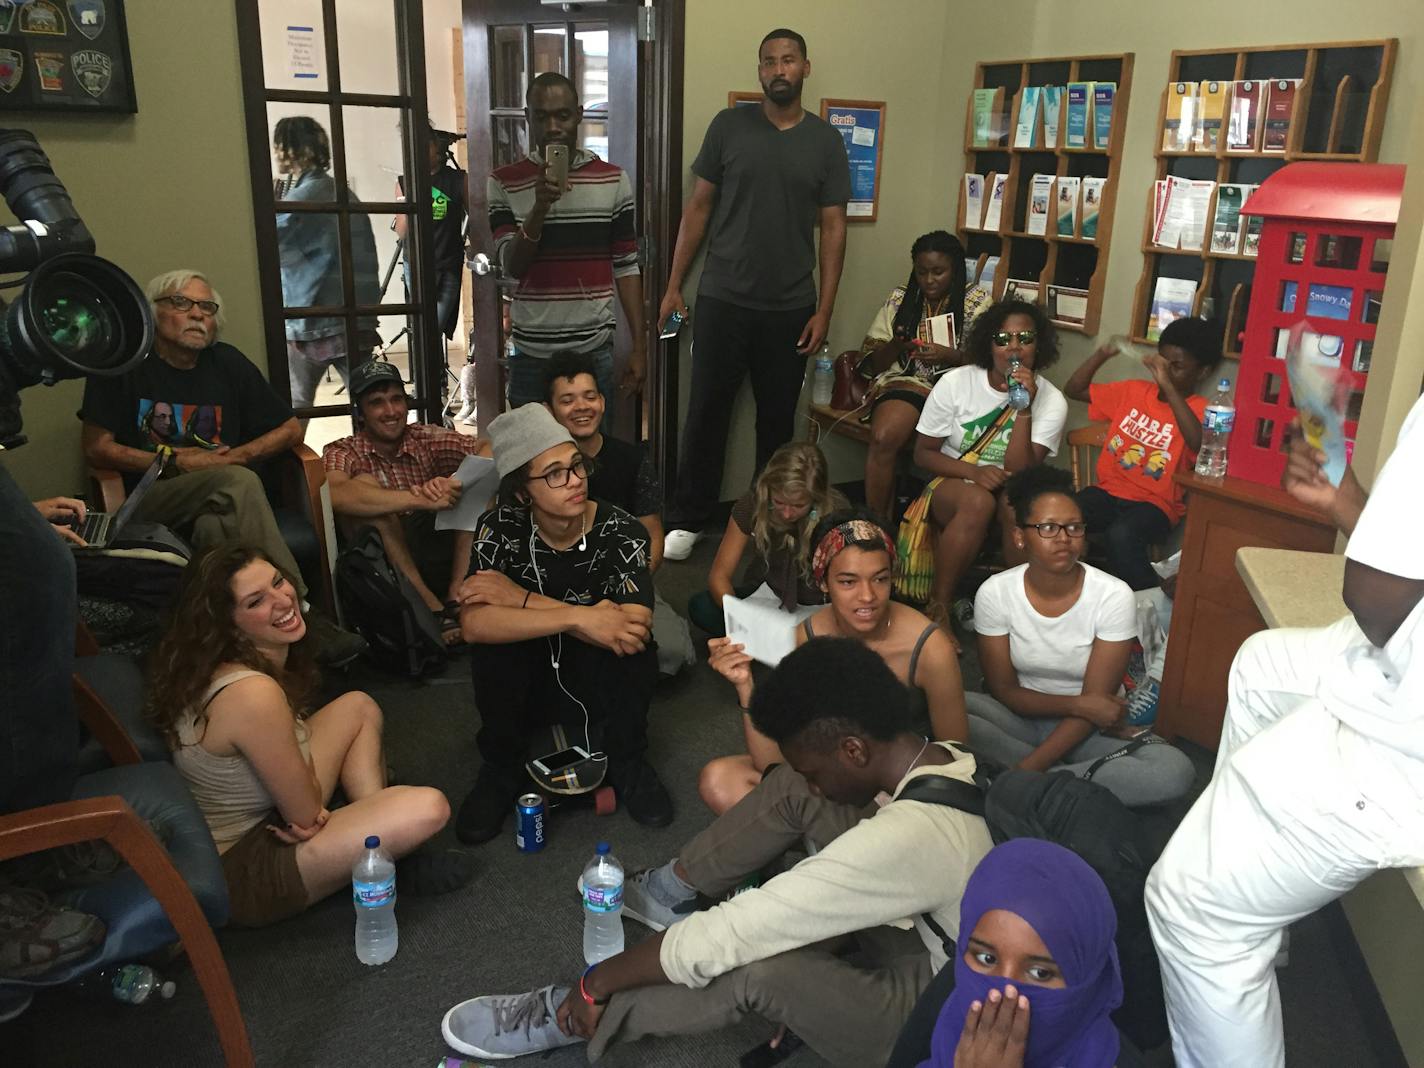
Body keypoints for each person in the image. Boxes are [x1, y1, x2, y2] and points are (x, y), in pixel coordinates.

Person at [439, 638, 994, 1066]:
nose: (817, 784)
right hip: (926, 930)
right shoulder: (941, 756)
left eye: (820, 768)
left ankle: (575, 1013)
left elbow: (735, 931)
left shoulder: (910, 837)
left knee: (758, 966)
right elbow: (831, 812)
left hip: (934, 1009)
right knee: (791, 789)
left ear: (853, 749)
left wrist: (596, 980)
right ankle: (669, 891)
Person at [1145, 398, 1424, 1068]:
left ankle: (1228, 923)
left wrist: (1375, 535)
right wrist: (1352, 508)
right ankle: (1263, 909)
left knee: (1188, 906)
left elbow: (1378, 596)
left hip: (1405, 739)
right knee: (1263, 666)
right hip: (1392, 660)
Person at [145, 545, 473, 928]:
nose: (282, 600)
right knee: (428, 807)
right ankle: (388, 850)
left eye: (278, 582)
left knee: (357, 706)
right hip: (243, 865)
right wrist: (310, 808)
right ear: (228, 625)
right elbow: (303, 815)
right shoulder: (251, 693)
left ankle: (383, 854)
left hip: (262, 812)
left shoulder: (221, 663)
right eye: (256, 601)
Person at [78, 269, 364, 666]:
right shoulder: (124, 364)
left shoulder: (226, 363)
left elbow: (288, 428)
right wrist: (176, 459)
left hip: (221, 494)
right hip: (151, 498)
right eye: (181, 303)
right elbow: (96, 448)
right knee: (235, 481)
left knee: (217, 526)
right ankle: (302, 611)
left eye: (206, 307)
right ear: (153, 313)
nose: (197, 314)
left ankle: (247, 656)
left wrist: (238, 455)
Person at [660, 29, 851, 562]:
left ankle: (769, 521)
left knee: (776, 423)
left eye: (788, 60)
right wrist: (675, 284)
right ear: (760, 71)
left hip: (791, 307)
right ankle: (688, 517)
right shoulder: (729, 127)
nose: (778, 69)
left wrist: (825, 310)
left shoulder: (825, 141)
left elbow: (833, 228)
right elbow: (697, 209)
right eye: (768, 62)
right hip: (723, 298)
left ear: (805, 68)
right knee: (706, 415)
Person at [452, 404, 671, 843]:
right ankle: (501, 768)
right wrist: (580, 616)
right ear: (521, 493)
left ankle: (628, 760)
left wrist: (519, 600)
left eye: (577, 466)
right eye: (554, 474)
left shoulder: (621, 530)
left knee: (637, 652)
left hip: (596, 672)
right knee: (494, 650)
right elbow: (474, 624)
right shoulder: (499, 527)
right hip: (530, 675)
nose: (574, 481)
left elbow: (631, 627)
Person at [701, 509, 966, 813]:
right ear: (823, 583)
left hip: (905, 790)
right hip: (833, 774)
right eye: (848, 581)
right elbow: (773, 765)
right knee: (719, 780)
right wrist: (745, 685)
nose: (867, 596)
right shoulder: (809, 635)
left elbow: (956, 761)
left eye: (880, 579)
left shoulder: (930, 647)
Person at [965, 467, 1195, 807]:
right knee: (957, 708)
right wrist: (1077, 704)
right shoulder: (995, 593)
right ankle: (1061, 788)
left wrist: (1027, 769)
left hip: (1091, 729)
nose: (1063, 538)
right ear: (1019, 536)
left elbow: (1098, 704)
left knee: (1174, 770)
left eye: (1074, 527)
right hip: (1021, 717)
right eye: (1047, 528)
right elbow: (1004, 691)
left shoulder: (1112, 595)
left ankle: (1022, 784)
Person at [907, 299, 1068, 637]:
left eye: (1025, 338)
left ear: (1039, 346)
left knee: (1018, 507)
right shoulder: (957, 383)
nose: (1014, 348)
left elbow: (1021, 471)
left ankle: (1020, 614)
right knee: (978, 500)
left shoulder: (1052, 400)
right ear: (988, 345)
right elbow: (922, 454)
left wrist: (1023, 408)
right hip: (951, 479)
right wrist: (974, 473)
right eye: (1002, 338)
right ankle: (939, 606)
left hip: (1012, 483)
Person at [489, 72, 644, 421]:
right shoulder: (504, 182)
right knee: (532, 461)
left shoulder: (612, 179)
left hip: (593, 351)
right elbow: (511, 265)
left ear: (578, 115)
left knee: (592, 458)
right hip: (531, 353)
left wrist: (640, 346)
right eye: (542, 116)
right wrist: (539, 207)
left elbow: (626, 264)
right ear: (528, 118)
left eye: (562, 115)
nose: (553, 126)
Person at [913, 839, 1134, 1068]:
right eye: (987, 958)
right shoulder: (953, 1017)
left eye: (1040, 973)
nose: (1004, 992)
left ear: (1087, 984)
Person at [543, 352, 695, 676]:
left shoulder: (631, 460)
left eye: (589, 396)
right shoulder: (540, 466)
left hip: (625, 582)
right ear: (549, 410)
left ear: (602, 401)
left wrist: (634, 585)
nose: (582, 407)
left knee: (669, 655)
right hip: (559, 588)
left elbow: (653, 534)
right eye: (567, 400)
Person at [322, 361, 490, 645]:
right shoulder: (343, 449)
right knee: (366, 489)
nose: (391, 411)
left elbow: (488, 447)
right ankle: (430, 608)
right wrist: (419, 498)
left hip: (436, 546)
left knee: (481, 479)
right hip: (387, 563)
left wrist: (454, 482)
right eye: (377, 403)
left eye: (397, 400)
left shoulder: (424, 437)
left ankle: (456, 597)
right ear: (360, 414)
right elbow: (336, 495)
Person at [1063, 320, 1222, 591]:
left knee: (1120, 535)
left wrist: (1166, 385)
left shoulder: (1201, 409)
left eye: (1178, 366)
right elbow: (1074, 389)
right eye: (1163, 362)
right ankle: (1067, 592)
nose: (1166, 370)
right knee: (1063, 515)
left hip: (1156, 506)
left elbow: (1197, 443)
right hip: (1108, 492)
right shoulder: (1133, 391)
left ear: (1203, 372)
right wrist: (1102, 353)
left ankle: (1149, 602)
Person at [856, 230, 990, 519]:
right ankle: (878, 525)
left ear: (955, 270)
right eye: (922, 272)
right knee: (883, 437)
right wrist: (897, 345)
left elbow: (993, 362)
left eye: (939, 272)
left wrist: (952, 355)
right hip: (910, 382)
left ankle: (933, 527)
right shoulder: (901, 299)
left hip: (960, 388)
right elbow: (873, 364)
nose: (929, 280)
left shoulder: (978, 302)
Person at [273, 116, 382, 412]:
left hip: (313, 318)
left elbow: (272, 247)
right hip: (355, 313)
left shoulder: (299, 199)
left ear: (287, 149)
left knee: (296, 402)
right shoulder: (343, 192)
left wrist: (269, 206)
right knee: (368, 400)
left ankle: (292, 460)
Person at [685, 440, 846, 638]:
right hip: (769, 593)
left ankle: (788, 642)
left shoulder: (837, 512)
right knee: (702, 607)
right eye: (779, 502)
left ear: (815, 498)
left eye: (798, 505)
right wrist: (740, 618)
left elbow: (853, 580)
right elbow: (719, 576)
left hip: (819, 604)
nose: (787, 514)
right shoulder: (753, 504)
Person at [395, 122, 469, 344]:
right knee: (424, 329)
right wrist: (410, 198)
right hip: (416, 266)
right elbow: (401, 232)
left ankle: (431, 375)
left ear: (435, 147)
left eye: (423, 146)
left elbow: (476, 217)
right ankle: (432, 377)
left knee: (433, 328)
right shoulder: (404, 182)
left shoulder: (458, 179)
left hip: (447, 265)